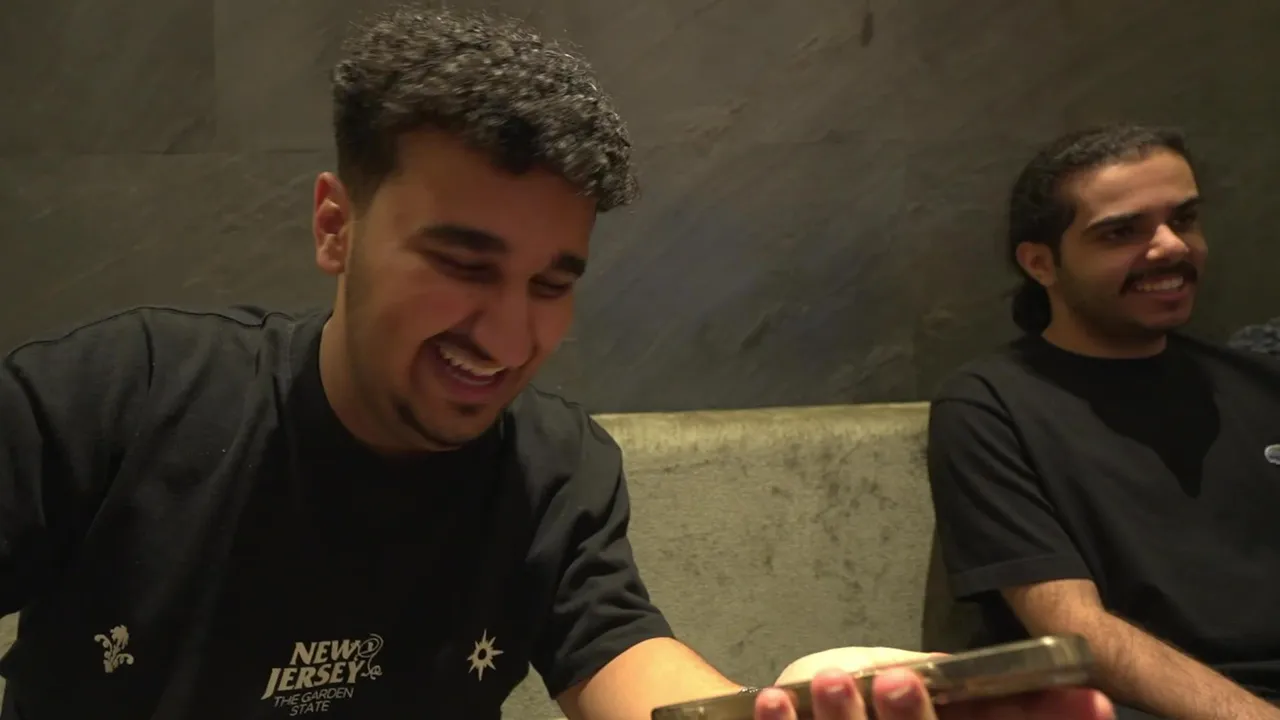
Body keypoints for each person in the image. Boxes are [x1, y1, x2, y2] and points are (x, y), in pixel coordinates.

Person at [0, 6, 1111, 720]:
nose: (504, 336)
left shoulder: (553, 468)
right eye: (461, 264)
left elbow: (632, 670)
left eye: (550, 283)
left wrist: (799, 706)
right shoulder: (119, 398)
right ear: (336, 226)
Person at [926, 124, 1280, 720]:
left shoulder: (1261, 384)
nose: (1171, 247)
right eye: (1121, 232)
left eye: (1184, 219)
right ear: (1041, 263)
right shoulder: (990, 407)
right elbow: (1075, 630)